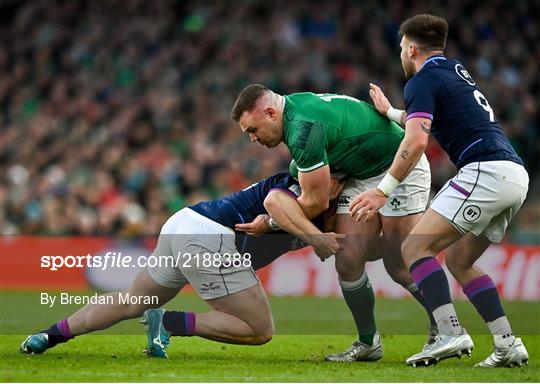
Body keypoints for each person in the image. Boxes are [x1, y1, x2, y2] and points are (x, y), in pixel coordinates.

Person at [349, 14, 529, 368]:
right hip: (514, 175)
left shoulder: (421, 79)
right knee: (461, 262)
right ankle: (508, 343)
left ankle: (448, 332)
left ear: (411, 48)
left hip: (484, 170)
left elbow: (416, 140)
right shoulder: (454, 70)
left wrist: (382, 191)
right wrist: (390, 111)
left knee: (414, 246)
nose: (401, 54)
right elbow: (424, 121)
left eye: (402, 48)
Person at [20, 172, 342, 358]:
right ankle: (168, 323)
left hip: (184, 223)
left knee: (132, 300)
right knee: (259, 330)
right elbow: (275, 212)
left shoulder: (314, 194)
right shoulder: (300, 195)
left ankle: (49, 336)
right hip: (211, 236)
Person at [231, 86, 436, 361]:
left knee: (398, 264)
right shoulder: (295, 113)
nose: (253, 139)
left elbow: (316, 203)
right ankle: (368, 343)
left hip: (399, 166)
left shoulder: (303, 128)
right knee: (348, 259)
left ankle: (446, 326)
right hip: (359, 175)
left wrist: (270, 223)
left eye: (252, 130)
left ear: (270, 113)